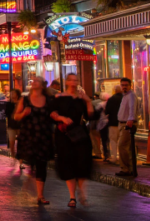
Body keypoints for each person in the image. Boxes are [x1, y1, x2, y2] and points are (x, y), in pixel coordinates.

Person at [50, 73, 94, 208]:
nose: (74, 83)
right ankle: (72, 197)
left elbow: (90, 115)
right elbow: (52, 113)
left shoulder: (81, 99)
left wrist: (88, 101)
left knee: (82, 163)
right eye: (72, 80)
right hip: (64, 134)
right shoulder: (59, 97)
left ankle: (82, 193)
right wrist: (62, 118)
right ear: (67, 82)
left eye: (76, 80)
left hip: (80, 134)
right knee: (68, 163)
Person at [15, 78, 55, 205]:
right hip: (29, 136)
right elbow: (16, 116)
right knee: (32, 163)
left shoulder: (48, 100)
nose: (34, 82)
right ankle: (30, 181)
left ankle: (40, 195)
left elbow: (53, 114)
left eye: (38, 81)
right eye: (34, 81)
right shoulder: (25, 99)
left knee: (42, 165)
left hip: (44, 136)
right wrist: (24, 114)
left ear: (42, 86)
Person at [117, 77, 138, 177]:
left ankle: (125, 169)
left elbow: (132, 108)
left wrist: (130, 120)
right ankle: (129, 168)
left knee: (122, 145)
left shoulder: (131, 95)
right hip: (122, 123)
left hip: (127, 124)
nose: (124, 87)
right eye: (123, 85)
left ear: (130, 86)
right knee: (127, 147)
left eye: (126, 85)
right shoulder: (125, 96)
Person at [105, 85, 123, 164]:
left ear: (114, 91)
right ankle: (122, 157)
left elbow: (107, 111)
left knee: (113, 140)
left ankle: (115, 157)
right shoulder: (124, 98)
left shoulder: (111, 99)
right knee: (122, 141)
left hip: (113, 123)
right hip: (123, 123)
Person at [5, 89, 22, 168]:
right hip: (11, 126)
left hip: (20, 126)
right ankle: (13, 157)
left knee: (21, 143)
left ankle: (21, 161)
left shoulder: (21, 103)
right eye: (11, 93)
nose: (12, 95)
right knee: (12, 144)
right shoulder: (9, 104)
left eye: (13, 93)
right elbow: (8, 114)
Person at [90, 92, 108, 160]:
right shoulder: (108, 102)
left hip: (96, 123)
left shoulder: (94, 103)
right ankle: (106, 154)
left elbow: (92, 113)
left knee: (96, 138)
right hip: (106, 123)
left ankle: (98, 153)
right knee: (105, 139)